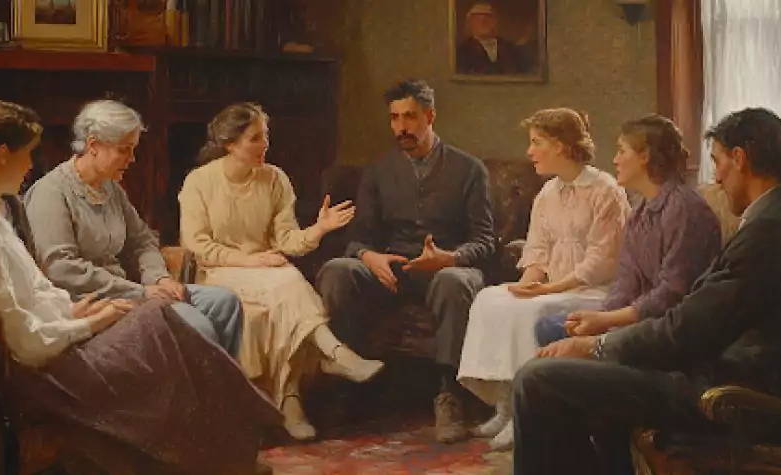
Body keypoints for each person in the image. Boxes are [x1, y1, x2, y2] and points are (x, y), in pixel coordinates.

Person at [0, 98, 281, 475]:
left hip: (57, 331)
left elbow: (33, 293)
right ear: (0, 157)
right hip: (36, 374)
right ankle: (220, 449)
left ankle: (222, 443)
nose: (30, 165)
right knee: (165, 324)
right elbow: (22, 343)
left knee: (171, 314)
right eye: (26, 155)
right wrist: (87, 323)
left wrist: (74, 310)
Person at [514, 107, 781, 475]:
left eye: (718, 162)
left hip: (739, 396)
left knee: (540, 381)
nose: (717, 178)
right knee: (562, 369)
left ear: (740, 159)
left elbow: (690, 326)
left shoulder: (771, 229)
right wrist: (606, 338)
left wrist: (598, 345)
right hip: (720, 372)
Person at [178, 102, 385, 441]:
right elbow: (197, 244)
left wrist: (319, 228)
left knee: (283, 284)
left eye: (266, 136)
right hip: (218, 273)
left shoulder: (275, 179)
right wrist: (249, 260)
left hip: (266, 271)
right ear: (230, 144)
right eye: (255, 139)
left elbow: (287, 240)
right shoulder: (199, 183)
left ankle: (291, 400)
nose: (265, 145)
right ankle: (331, 354)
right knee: (286, 279)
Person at [317, 79, 495, 443]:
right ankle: (354, 385)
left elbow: (486, 240)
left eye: (410, 117)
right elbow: (358, 237)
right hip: (393, 269)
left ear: (430, 116)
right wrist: (369, 256)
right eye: (395, 118)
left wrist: (452, 257)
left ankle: (449, 395)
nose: (401, 127)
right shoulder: (379, 172)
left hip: (447, 268)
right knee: (338, 271)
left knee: (454, 281)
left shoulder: (469, 170)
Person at [457, 108, 630, 451]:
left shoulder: (605, 191)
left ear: (562, 145)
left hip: (594, 292)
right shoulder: (548, 192)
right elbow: (537, 248)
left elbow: (603, 259)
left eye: (537, 143)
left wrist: (550, 289)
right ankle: (504, 404)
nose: (529, 152)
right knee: (491, 298)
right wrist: (529, 282)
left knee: (533, 312)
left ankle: (524, 413)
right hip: (554, 285)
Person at [24, 99, 244, 358]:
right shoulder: (51, 193)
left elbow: (142, 240)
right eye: (124, 150)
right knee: (195, 325)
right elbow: (61, 267)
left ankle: (214, 394)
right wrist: (140, 291)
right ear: (93, 146)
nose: (132, 159)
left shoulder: (110, 188)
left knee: (225, 303)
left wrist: (158, 277)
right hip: (89, 303)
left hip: (134, 290)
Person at [534, 114, 722, 346]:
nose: (615, 160)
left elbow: (672, 294)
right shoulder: (640, 212)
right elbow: (626, 281)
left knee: (554, 336)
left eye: (622, 151)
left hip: (670, 331)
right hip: (639, 321)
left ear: (645, 156)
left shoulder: (685, 210)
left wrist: (606, 322)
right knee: (549, 327)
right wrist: (600, 318)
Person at [455, 2, 531, 75]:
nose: (483, 22)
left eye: (488, 17)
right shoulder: (462, 53)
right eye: (477, 18)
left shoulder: (511, 49)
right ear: (470, 23)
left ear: (495, 21)